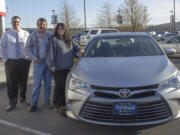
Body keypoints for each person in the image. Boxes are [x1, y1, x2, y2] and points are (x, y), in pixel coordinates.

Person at [46, 23, 83, 116]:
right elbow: (50, 53)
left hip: (68, 68)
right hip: (57, 68)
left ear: (65, 30)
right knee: (59, 85)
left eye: (62, 29)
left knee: (65, 86)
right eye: (59, 29)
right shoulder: (54, 40)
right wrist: (51, 65)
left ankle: (63, 104)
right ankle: (56, 104)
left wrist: (80, 50)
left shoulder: (69, 40)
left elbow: (77, 48)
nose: (61, 30)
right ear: (56, 30)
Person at [0, 16, 31, 112]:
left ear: (20, 23)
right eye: (14, 22)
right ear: (11, 23)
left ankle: (22, 99)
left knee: (23, 81)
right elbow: (2, 47)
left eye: (17, 22)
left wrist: (29, 58)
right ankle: (12, 102)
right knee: (11, 83)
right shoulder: (6, 34)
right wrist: (5, 60)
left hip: (24, 62)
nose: (16, 23)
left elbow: (30, 47)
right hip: (11, 62)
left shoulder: (26, 33)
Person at [25, 18, 52, 112]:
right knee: (37, 84)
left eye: (44, 24)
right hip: (38, 63)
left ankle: (46, 102)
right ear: (37, 25)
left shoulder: (50, 35)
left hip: (48, 63)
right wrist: (34, 58)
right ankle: (33, 104)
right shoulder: (33, 35)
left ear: (46, 25)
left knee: (48, 84)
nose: (42, 26)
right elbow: (27, 49)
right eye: (40, 24)